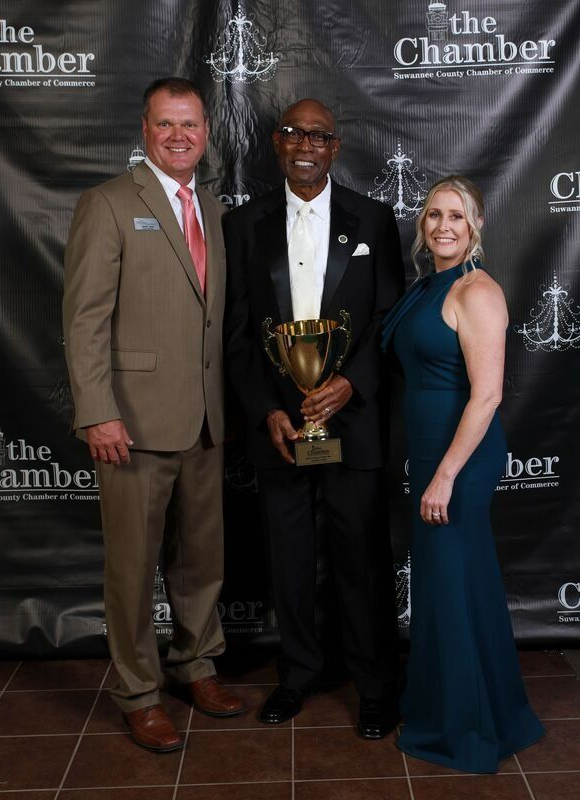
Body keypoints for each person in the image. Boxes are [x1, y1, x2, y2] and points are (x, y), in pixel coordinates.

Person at [63, 77, 245, 753]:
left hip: (204, 421)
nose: (178, 137)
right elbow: (84, 320)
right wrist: (98, 411)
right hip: (130, 423)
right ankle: (138, 692)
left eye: (190, 125)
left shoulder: (216, 210)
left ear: (205, 133)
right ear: (145, 130)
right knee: (133, 569)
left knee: (201, 560)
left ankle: (195, 664)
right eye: (165, 125)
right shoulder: (108, 204)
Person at [224, 99, 404, 738]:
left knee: (361, 560)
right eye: (295, 132)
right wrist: (266, 408)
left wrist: (351, 383)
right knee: (291, 561)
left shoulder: (375, 220)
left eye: (319, 135)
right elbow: (239, 335)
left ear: (336, 146)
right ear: (277, 142)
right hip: (282, 429)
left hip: (351, 424)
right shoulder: (245, 225)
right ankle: (297, 675)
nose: (306, 143)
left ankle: (376, 686)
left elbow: (388, 321)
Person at [381, 175, 544, 772]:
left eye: (456, 216)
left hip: (460, 460)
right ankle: (481, 710)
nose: (443, 226)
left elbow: (488, 395)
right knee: (454, 588)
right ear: (422, 226)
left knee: (452, 588)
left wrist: (446, 475)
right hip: (429, 455)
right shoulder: (429, 285)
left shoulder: (477, 292)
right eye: (432, 216)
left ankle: (467, 729)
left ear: (475, 226)